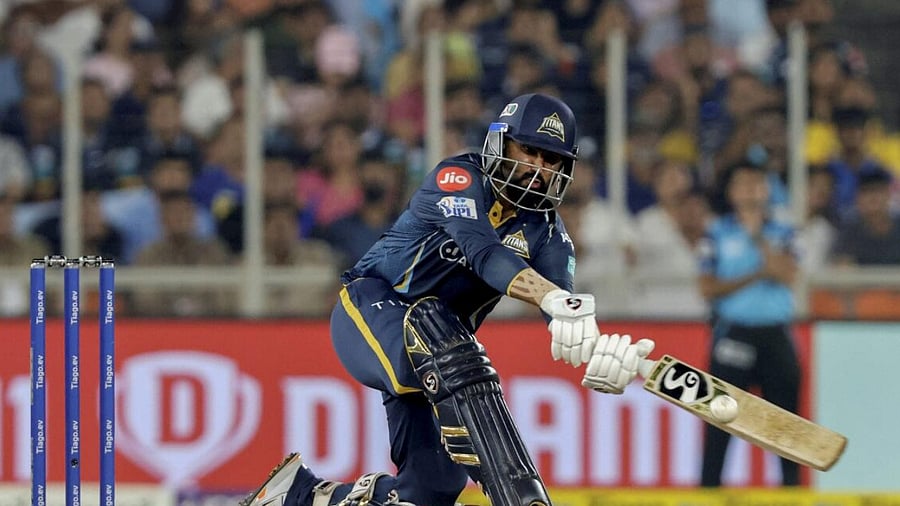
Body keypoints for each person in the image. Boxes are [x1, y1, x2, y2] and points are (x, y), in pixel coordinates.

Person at [242, 93, 655, 506]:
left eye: (551, 161)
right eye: (528, 151)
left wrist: (599, 348)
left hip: (440, 360)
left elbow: (561, 311)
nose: (538, 169)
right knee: (439, 327)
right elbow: (486, 254)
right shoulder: (457, 178)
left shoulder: (550, 235)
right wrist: (556, 301)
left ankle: (297, 495)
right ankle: (519, 493)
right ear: (500, 143)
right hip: (370, 310)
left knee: (430, 491)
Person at [697, 160, 801, 486]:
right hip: (733, 333)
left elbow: (788, 274)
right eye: (743, 184)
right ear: (731, 192)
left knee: (785, 427)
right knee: (719, 422)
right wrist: (757, 273)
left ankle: (791, 494)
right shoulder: (716, 232)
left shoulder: (784, 231)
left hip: (775, 335)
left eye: (757, 183)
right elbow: (708, 288)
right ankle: (709, 493)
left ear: (767, 190)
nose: (751, 190)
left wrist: (758, 238)